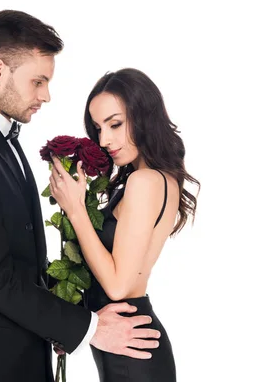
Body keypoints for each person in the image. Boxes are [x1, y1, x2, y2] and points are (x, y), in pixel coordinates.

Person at [0, 11, 161, 382]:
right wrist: (88, 327)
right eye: (38, 82)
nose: (46, 96)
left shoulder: (5, 143)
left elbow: (22, 267)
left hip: (24, 357)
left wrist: (66, 313)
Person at [49, 67, 200, 381]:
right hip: (127, 347)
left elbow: (118, 286)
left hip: (134, 354)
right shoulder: (147, 179)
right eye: (98, 127)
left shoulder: (146, 182)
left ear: (144, 116)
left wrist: (76, 210)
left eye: (115, 124)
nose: (104, 140)